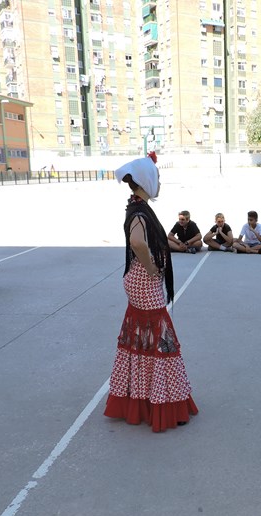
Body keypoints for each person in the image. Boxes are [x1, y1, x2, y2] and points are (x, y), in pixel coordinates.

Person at [104, 153, 198, 431]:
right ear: (146, 180)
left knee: (143, 341)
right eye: (157, 177)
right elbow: (137, 242)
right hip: (145, 284)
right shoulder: (139, 212)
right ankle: (163, 401)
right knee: (161, 341)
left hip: (139, 283)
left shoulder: (136, 207)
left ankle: (144, 397)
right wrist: (153, 267)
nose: (160, 182)